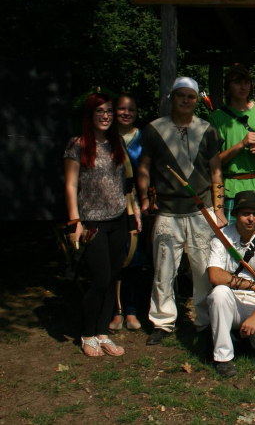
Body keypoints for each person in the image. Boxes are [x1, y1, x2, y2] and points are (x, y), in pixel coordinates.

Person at [137, 77, 226, 345]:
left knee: (202, 270)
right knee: (164, 269)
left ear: (196, 100)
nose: (186, 100)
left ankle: (204, 320)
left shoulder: (207, 130)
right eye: (181, 96)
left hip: (201, 209)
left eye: (191, 96)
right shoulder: (154, 129)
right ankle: (163, 321)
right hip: (167, 209)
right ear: (172, 98)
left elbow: (216, 172)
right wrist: (143, 197)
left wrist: (219, 209)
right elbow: (143, 168)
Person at [64, 92, 137, 357]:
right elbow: (71, 186)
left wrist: (132, 215)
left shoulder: (117, 143)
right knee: (100, 279)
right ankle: (87, 334)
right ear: (90, 115)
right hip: (92, 221)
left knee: (114, 278)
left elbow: (125, 184)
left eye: (108, 111)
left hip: (118, 219)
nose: (105, 116)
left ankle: (103, 333)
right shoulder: (77, 144)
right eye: (99, 111)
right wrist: (75, 222)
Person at [207, 190, 255, 377]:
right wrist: (253, 285)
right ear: (234, 215)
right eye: (245, 213)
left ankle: (242, 340)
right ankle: (223, 357)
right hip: (231, 301)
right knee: (219, 293)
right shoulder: (222, 237)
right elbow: (215, 275)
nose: (251, 218)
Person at [208, 65, 255, 230]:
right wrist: (241, 144)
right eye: (237, 82)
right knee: (232, 247)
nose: (243, 87)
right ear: (228, 86)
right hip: (231, 190)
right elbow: (215, 162)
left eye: (246, 82)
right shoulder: (217, 118)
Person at [109, 94, 146, 331]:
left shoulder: (144, 137)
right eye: (121, 108)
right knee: (114, 258)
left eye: (130, 109)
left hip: (136, 204)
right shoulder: (105, 136)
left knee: (134, 258)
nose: (126, 112)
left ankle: (131, 310)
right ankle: (116, 311)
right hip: (109, 204)